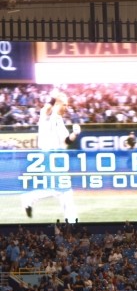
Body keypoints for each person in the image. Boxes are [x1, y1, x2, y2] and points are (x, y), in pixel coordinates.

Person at [22, 91, 81, 222]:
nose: (66, 107)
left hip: (58, 157)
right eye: (64, 104)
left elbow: (66, 141)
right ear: (57, 104)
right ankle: (72, 223)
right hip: (48, 156)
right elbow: (45, 108)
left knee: (59, 190)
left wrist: (75, 134)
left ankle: (29, 198)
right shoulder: (47, 115)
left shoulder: (60, 121)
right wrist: (54, 97)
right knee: (63, 191)